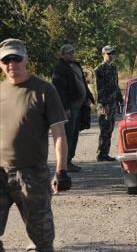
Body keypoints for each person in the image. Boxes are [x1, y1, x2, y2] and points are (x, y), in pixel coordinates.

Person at [0, 38, 71, 251]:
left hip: (32, 176)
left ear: (26, 59)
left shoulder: (44, 90)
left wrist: (62, 171)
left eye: (16, 58)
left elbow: (59, 133)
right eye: (6, 59)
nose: (12, 63)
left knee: (42, 241)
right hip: (0, 172)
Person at [51, 44, 95, 172]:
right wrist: (65, 108)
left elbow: (82, 84)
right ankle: (64, 163)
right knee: (68, 134)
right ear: (62, 55)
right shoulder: (59, 68)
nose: (71, 55)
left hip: (79, 106)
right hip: (69, 107)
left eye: (72, 52)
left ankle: (69, 159)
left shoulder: (76, 65)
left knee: (75, 133)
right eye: (68, 53)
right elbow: (59, 90)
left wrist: (88, 98)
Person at [94, 45, 123, 162]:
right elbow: (99, 89)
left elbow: (116, 86)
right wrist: (103, 104)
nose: (111, 55)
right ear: (103, 54)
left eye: (112, 53)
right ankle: (101, 154)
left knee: (110, 128)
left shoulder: (113, 68)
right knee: (105, 129)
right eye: (108, 53)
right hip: (105, 105)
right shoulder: (99, 70)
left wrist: (121, 100)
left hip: (113, 102)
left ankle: (105, 153)